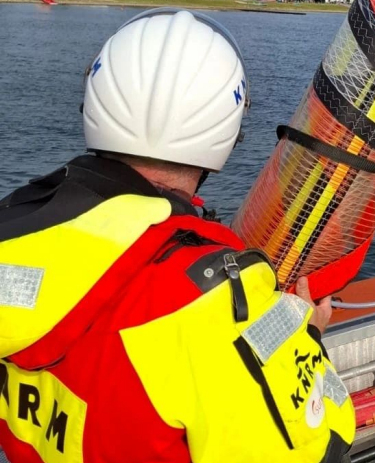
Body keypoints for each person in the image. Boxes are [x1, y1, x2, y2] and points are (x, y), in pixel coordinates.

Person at [0, 9, 354, 463]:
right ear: (225, 133)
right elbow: (322, 444)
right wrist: (303, 339)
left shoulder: (19, 230)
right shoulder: (211, 303)